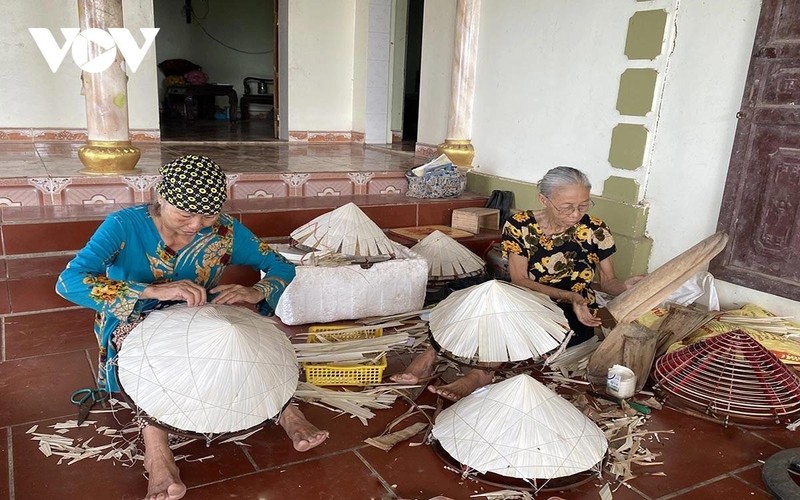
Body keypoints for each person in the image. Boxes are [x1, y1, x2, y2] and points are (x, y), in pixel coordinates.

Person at [56, 155, 328, 500]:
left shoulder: (226, 231)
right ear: (161, 198)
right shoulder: (124, 226)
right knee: (152, 365)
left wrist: (256, 290)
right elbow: (69, 282)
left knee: (242, 338)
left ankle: (288, 411)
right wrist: (150, 290)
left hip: (201, 312)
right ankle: (158, 456)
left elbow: (279, 266)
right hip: (135, 317)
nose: (196, 225)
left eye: (208, 215)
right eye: (184, 215)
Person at [391, 166, 640, 401]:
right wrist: (570, 296)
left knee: (508, 325)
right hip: (528, 297)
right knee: (477, 303)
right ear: (544, 200)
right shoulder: (520, 224)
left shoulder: (595, 229)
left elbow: (609, 282)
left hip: (575, 310)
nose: (576, 214)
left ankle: (480, 374)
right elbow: (520, 280)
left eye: (583, 205)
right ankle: (427, 358)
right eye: (567, 207)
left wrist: (628, 286)